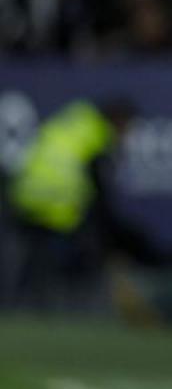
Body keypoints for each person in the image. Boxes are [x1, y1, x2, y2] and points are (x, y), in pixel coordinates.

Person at [5, 98, 159, 304]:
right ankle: (75, 298)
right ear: (119, 120)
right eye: (128, 128)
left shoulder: (76, 119)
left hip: (24, 196)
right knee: (92, 235)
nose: (128, 135)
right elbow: (100, 195)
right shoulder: (97, 136)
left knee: (37, 256)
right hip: (55, 201)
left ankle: (27, 297)